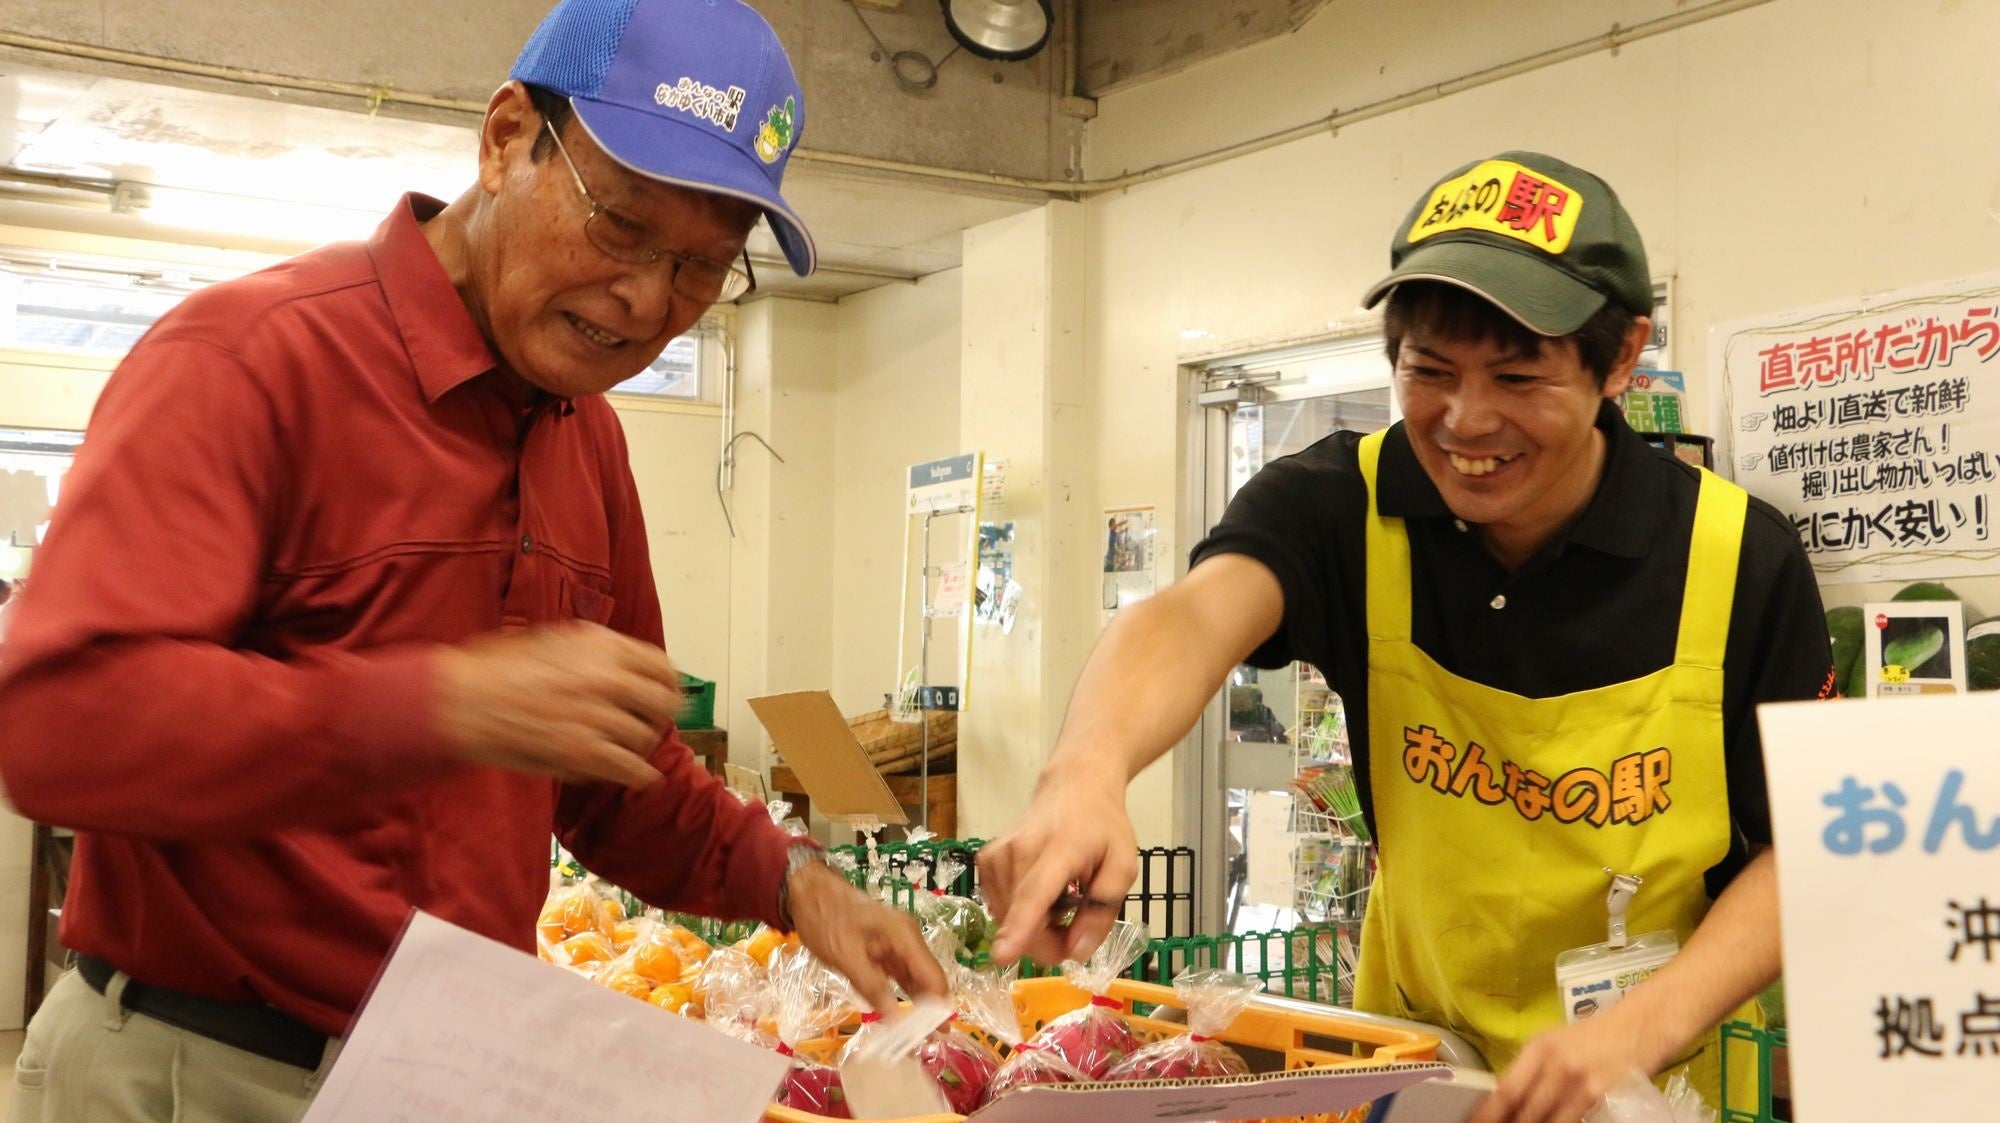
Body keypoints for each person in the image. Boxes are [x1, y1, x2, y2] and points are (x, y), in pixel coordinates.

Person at [0, 1, 944, 1118]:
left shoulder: (584, 437)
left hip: (439, 1077)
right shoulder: (249, 362)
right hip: (197, 1066)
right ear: (503, 140)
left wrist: (791, 879)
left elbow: (617, 776)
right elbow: (59, 724)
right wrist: (436, 703)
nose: (648, 300)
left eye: (701, 268)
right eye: (622, 227)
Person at [978, 151, 1835, 1123]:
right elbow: (1191, 615)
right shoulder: (1342, 504)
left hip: (1658, 1082)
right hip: (1417, 1068)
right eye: (1426, 371)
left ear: (1620, 355)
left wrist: (1633, 1031)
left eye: (1516, 375)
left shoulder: (1735, 557)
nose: (1465, 421)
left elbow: (1800, 843)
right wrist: (1086, 771)